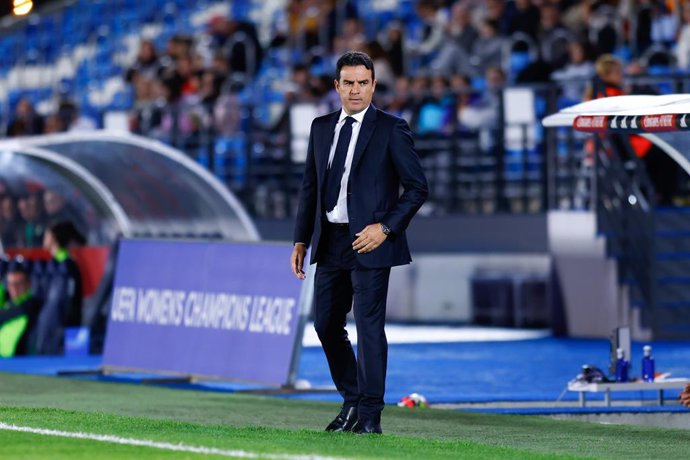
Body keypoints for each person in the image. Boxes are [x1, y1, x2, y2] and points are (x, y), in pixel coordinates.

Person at [290, 51, 428, 434]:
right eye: (348, 83)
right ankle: (352, 398)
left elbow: (418, 187)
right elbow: (310, 188)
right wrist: (301, 238)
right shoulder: (321, 128)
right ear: (336, 86)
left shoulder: (391, 128)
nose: (355, 90)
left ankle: (369, 417)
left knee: (369, 328)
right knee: (325, 324)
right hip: (331, 240)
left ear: (372, 85)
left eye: (363, 83)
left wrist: (385, 228)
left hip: (371, 241)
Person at [0, 260, 42, 357]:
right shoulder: (8, 304)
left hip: (18, 359)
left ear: (28, 284)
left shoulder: (30, 304)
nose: (14, 288)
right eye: (10, 284)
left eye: (18, 284)